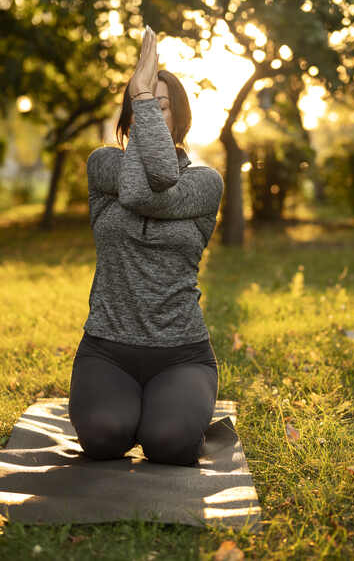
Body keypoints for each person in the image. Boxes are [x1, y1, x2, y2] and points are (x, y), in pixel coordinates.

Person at [69, 27, 224, 465]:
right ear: (129, 114)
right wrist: (143, 101)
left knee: (169, 445)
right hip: (106, 348)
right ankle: (130, 411)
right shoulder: (104, 165)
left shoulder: (204, 183)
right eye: (141, 104)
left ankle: (172, 416)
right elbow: (138, 184)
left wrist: (141, 93)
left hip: (181, 353)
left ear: (180, 118)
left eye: (161, 106)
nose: (150, 112)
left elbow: (146, 191)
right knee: (103, 438)